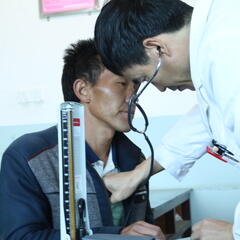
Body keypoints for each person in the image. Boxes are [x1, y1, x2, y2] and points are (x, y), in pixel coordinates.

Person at [94, 0, 240, 239]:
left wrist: (233, 232)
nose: (160, 88)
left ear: (157, 48)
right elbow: (205, 119)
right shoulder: (218, 39)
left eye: (145, 77)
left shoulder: (228, 53)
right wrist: (138, 174)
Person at [0, 39, 165, 240]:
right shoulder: (28, 157)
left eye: (135, 85)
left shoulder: (135, 158)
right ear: (83, 90)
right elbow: (19, 237)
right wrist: (117, 235)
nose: (133, 97)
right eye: (122, 84)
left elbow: (141, 226)